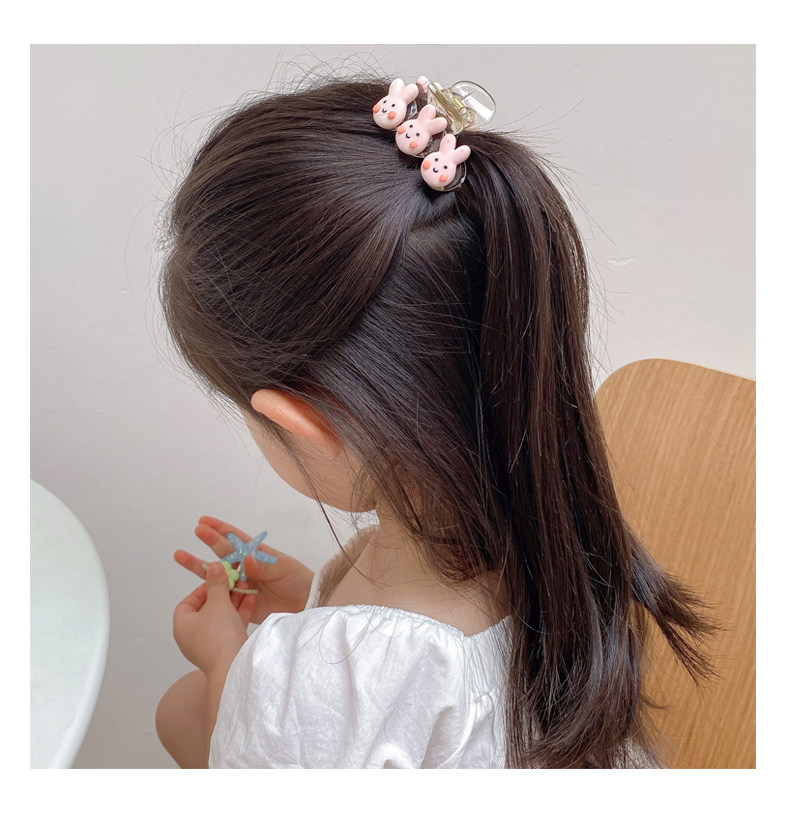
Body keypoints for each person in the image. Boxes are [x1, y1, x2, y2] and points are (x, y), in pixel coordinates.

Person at [154, 73, 712, 769]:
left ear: (299, 422)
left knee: (174, 712)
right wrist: (314, 608)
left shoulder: (310, 689)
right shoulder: (550, 540)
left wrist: (230, 667)